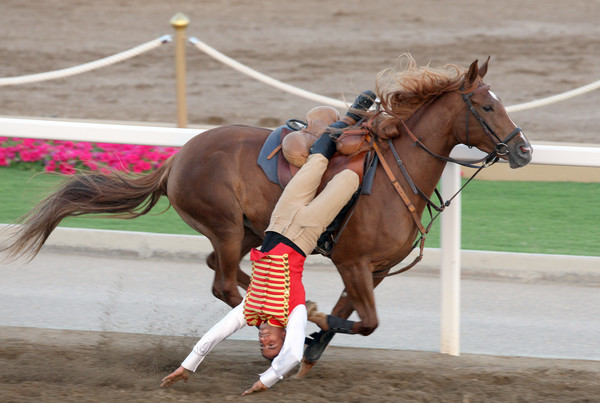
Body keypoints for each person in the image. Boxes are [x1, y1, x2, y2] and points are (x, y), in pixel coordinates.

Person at [160, 92, 374, 395]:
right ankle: (377, 130)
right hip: (306, 231)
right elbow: (293, 355)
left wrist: (188, 365)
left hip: (278, 221)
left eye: (263, 345)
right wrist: (268, 378)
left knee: (316, 161)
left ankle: (354, 114)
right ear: (284, 335)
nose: (264, 340)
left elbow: (216, 334)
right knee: (348, 178)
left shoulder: (250, 311)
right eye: (271, 344)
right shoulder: (294, 313)